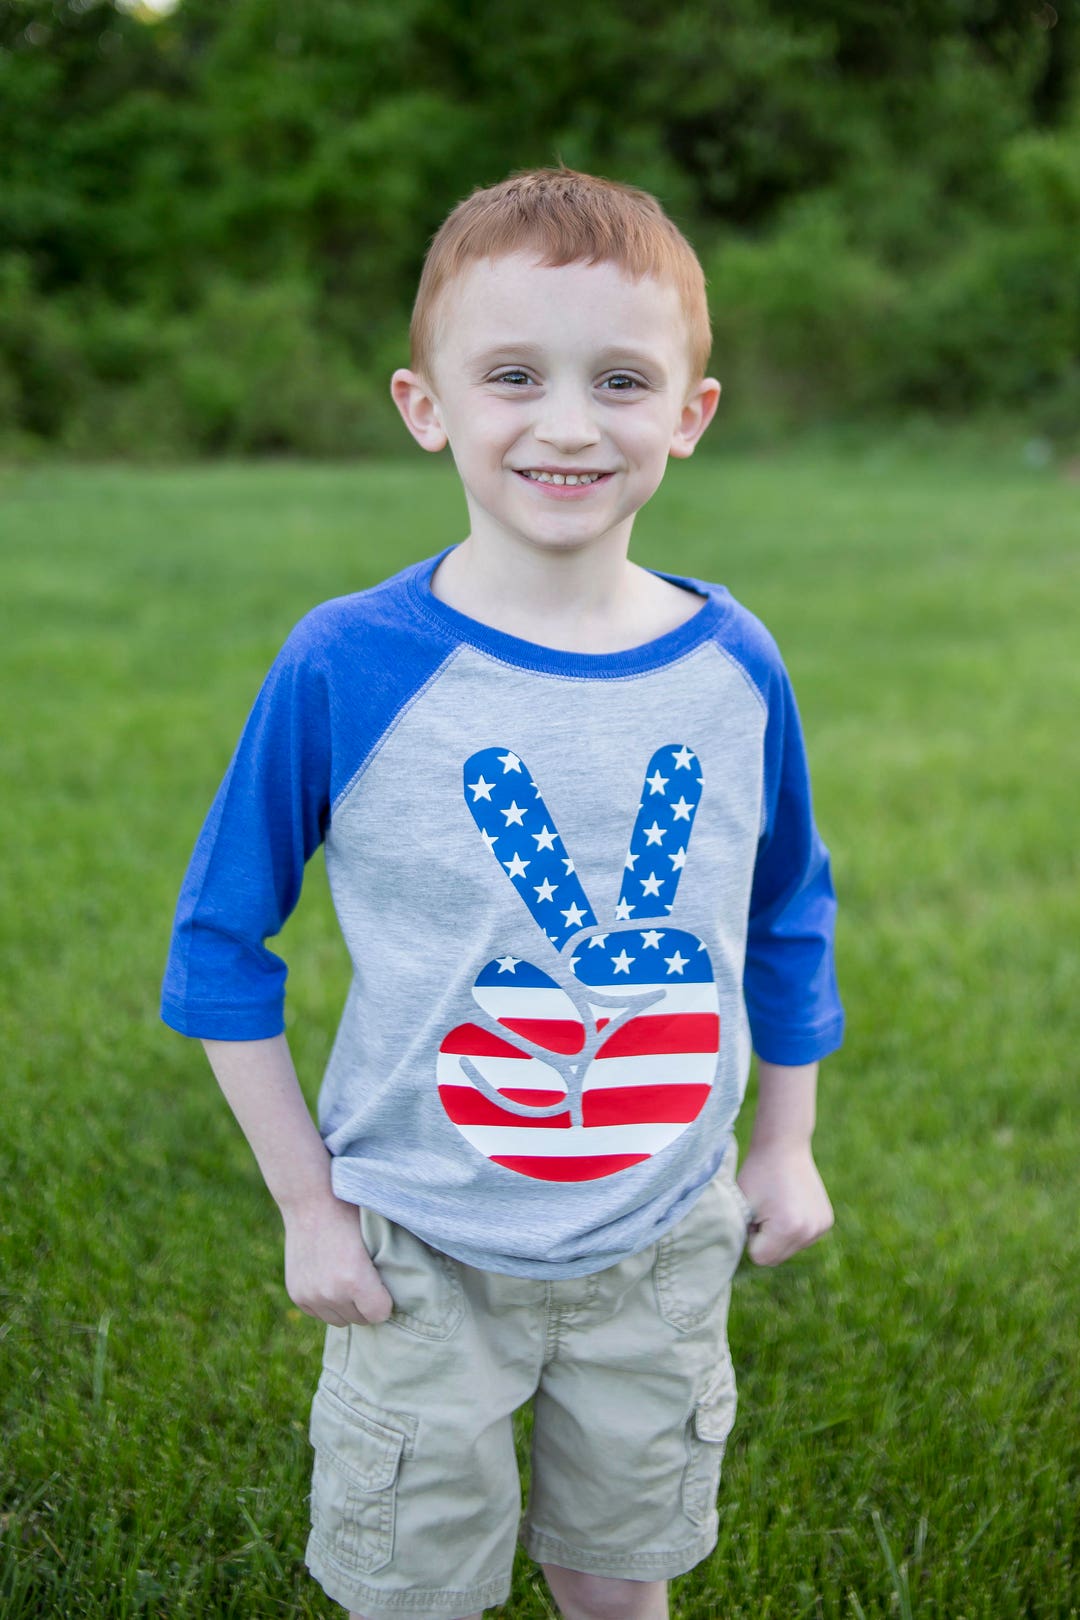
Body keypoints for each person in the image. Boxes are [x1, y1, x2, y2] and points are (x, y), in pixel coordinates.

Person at [161, 167, 843, 1620]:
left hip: (663, 1237)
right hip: (421, 1245)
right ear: (428, 404)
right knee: (416, 1592)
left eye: (622, 379)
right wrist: (308, 1206)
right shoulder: (349, 664)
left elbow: (787, 912)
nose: (571, 423)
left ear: (690, 415)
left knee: (620, 1578)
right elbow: (221, 942)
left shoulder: (734, 667)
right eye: (515, 375)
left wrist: (781, 1147)